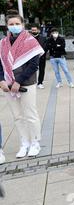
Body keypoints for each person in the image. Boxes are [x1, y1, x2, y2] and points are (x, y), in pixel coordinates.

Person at [0, 12, 45, 158]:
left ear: (22, 25)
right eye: (11, 24)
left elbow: (33, 65)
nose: (14, 26)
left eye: (17, 24)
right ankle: (24, 142)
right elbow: (0, 64)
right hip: (7, 84)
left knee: (30, 114)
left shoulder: (30, 41)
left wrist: (18, 81)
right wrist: (2, 80)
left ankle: (35, 142)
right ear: (7, 26)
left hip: (27, 83)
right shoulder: (2, 43)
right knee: (17, 116)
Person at [30, 25, 48, 89]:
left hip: (41, 57)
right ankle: (32, 82)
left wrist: (40, 53)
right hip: (31, 58)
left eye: (35, 30)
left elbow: (46, 47)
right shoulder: (28, 38)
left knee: (42, 70)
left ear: (38, 30)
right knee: (31, 70)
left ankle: (40, 82)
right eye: (32, 30)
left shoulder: (43, 38)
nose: (34, 31)